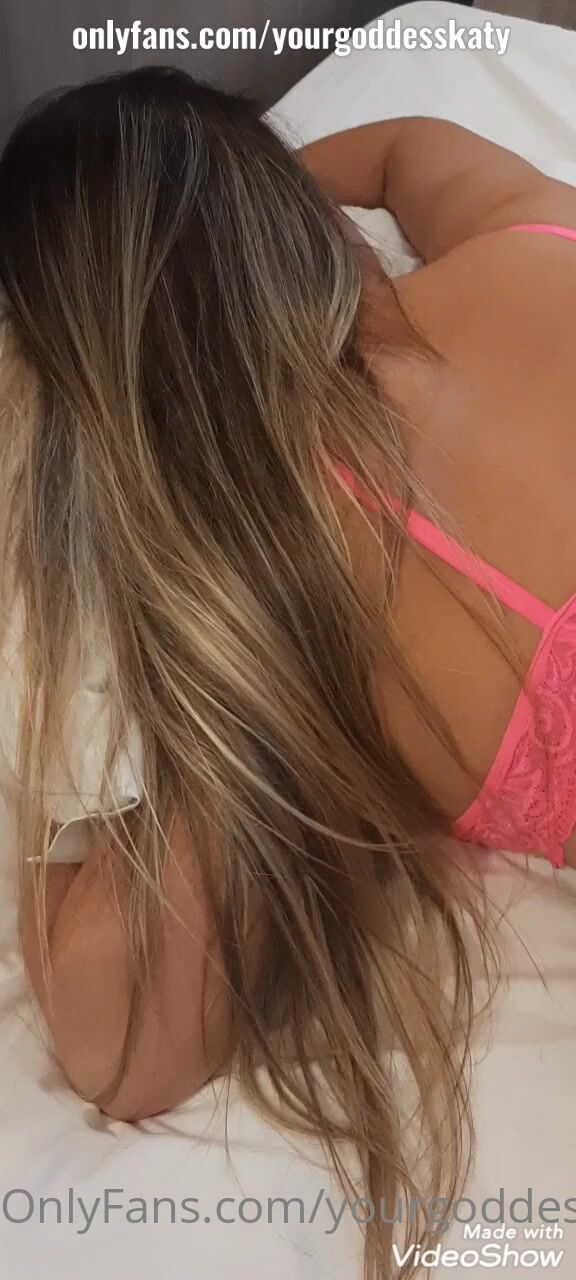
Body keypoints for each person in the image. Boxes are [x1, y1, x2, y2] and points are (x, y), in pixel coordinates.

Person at [1, 66, 575, 1277]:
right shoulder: (533, 241)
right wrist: (235, 213)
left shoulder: (290, 587)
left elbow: (121, 1049)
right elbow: (411, 137)